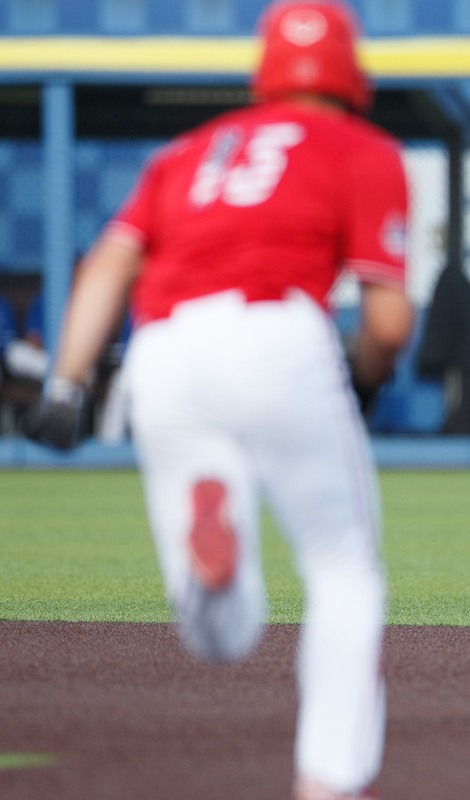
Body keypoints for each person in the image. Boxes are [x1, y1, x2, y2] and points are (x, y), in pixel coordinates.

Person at [29, 2, 413, 797]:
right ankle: (328, 781)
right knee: (343, 572)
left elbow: (107, 265)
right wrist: (366, 382)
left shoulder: (190, 151)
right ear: (350, 72)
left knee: (221, 639)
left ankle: (218, 561)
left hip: (163, 352)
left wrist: (66, 385)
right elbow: (387, 321)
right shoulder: (362, 148)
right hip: (277, 333)